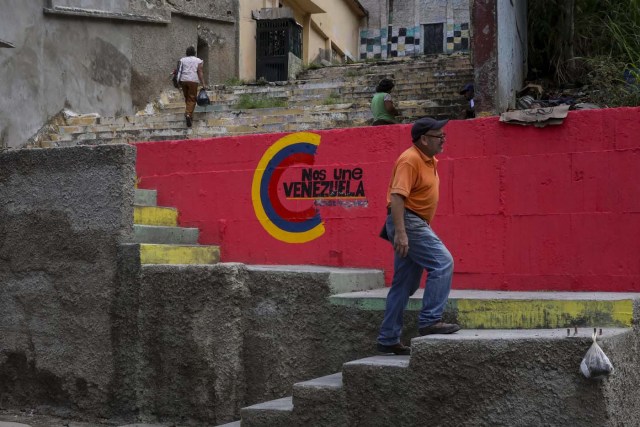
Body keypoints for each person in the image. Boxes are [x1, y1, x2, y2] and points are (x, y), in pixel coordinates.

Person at [377, 117, 460, 356]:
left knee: (404, 284)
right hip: (408, 221)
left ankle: (388, 338)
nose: (443, 139)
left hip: (413, 222)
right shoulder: (410, 160)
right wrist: (401, 233)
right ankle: (430, 321)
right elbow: (397, 197)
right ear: (423, 139)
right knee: (443, 263)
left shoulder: (428, 159)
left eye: (444, 135)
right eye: (439, 136)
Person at [177, 46, 206, 128]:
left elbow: (179, 70)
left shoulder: (182, 60)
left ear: (186, 52)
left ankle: (189, 114)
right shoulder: (198, 60)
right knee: (192, 98)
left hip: (183, 80)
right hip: (193, 81)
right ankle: (188, 114)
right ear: (194, 52)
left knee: (187, 98)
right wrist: (203, 83)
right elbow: (200, 72)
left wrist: (178, 82)